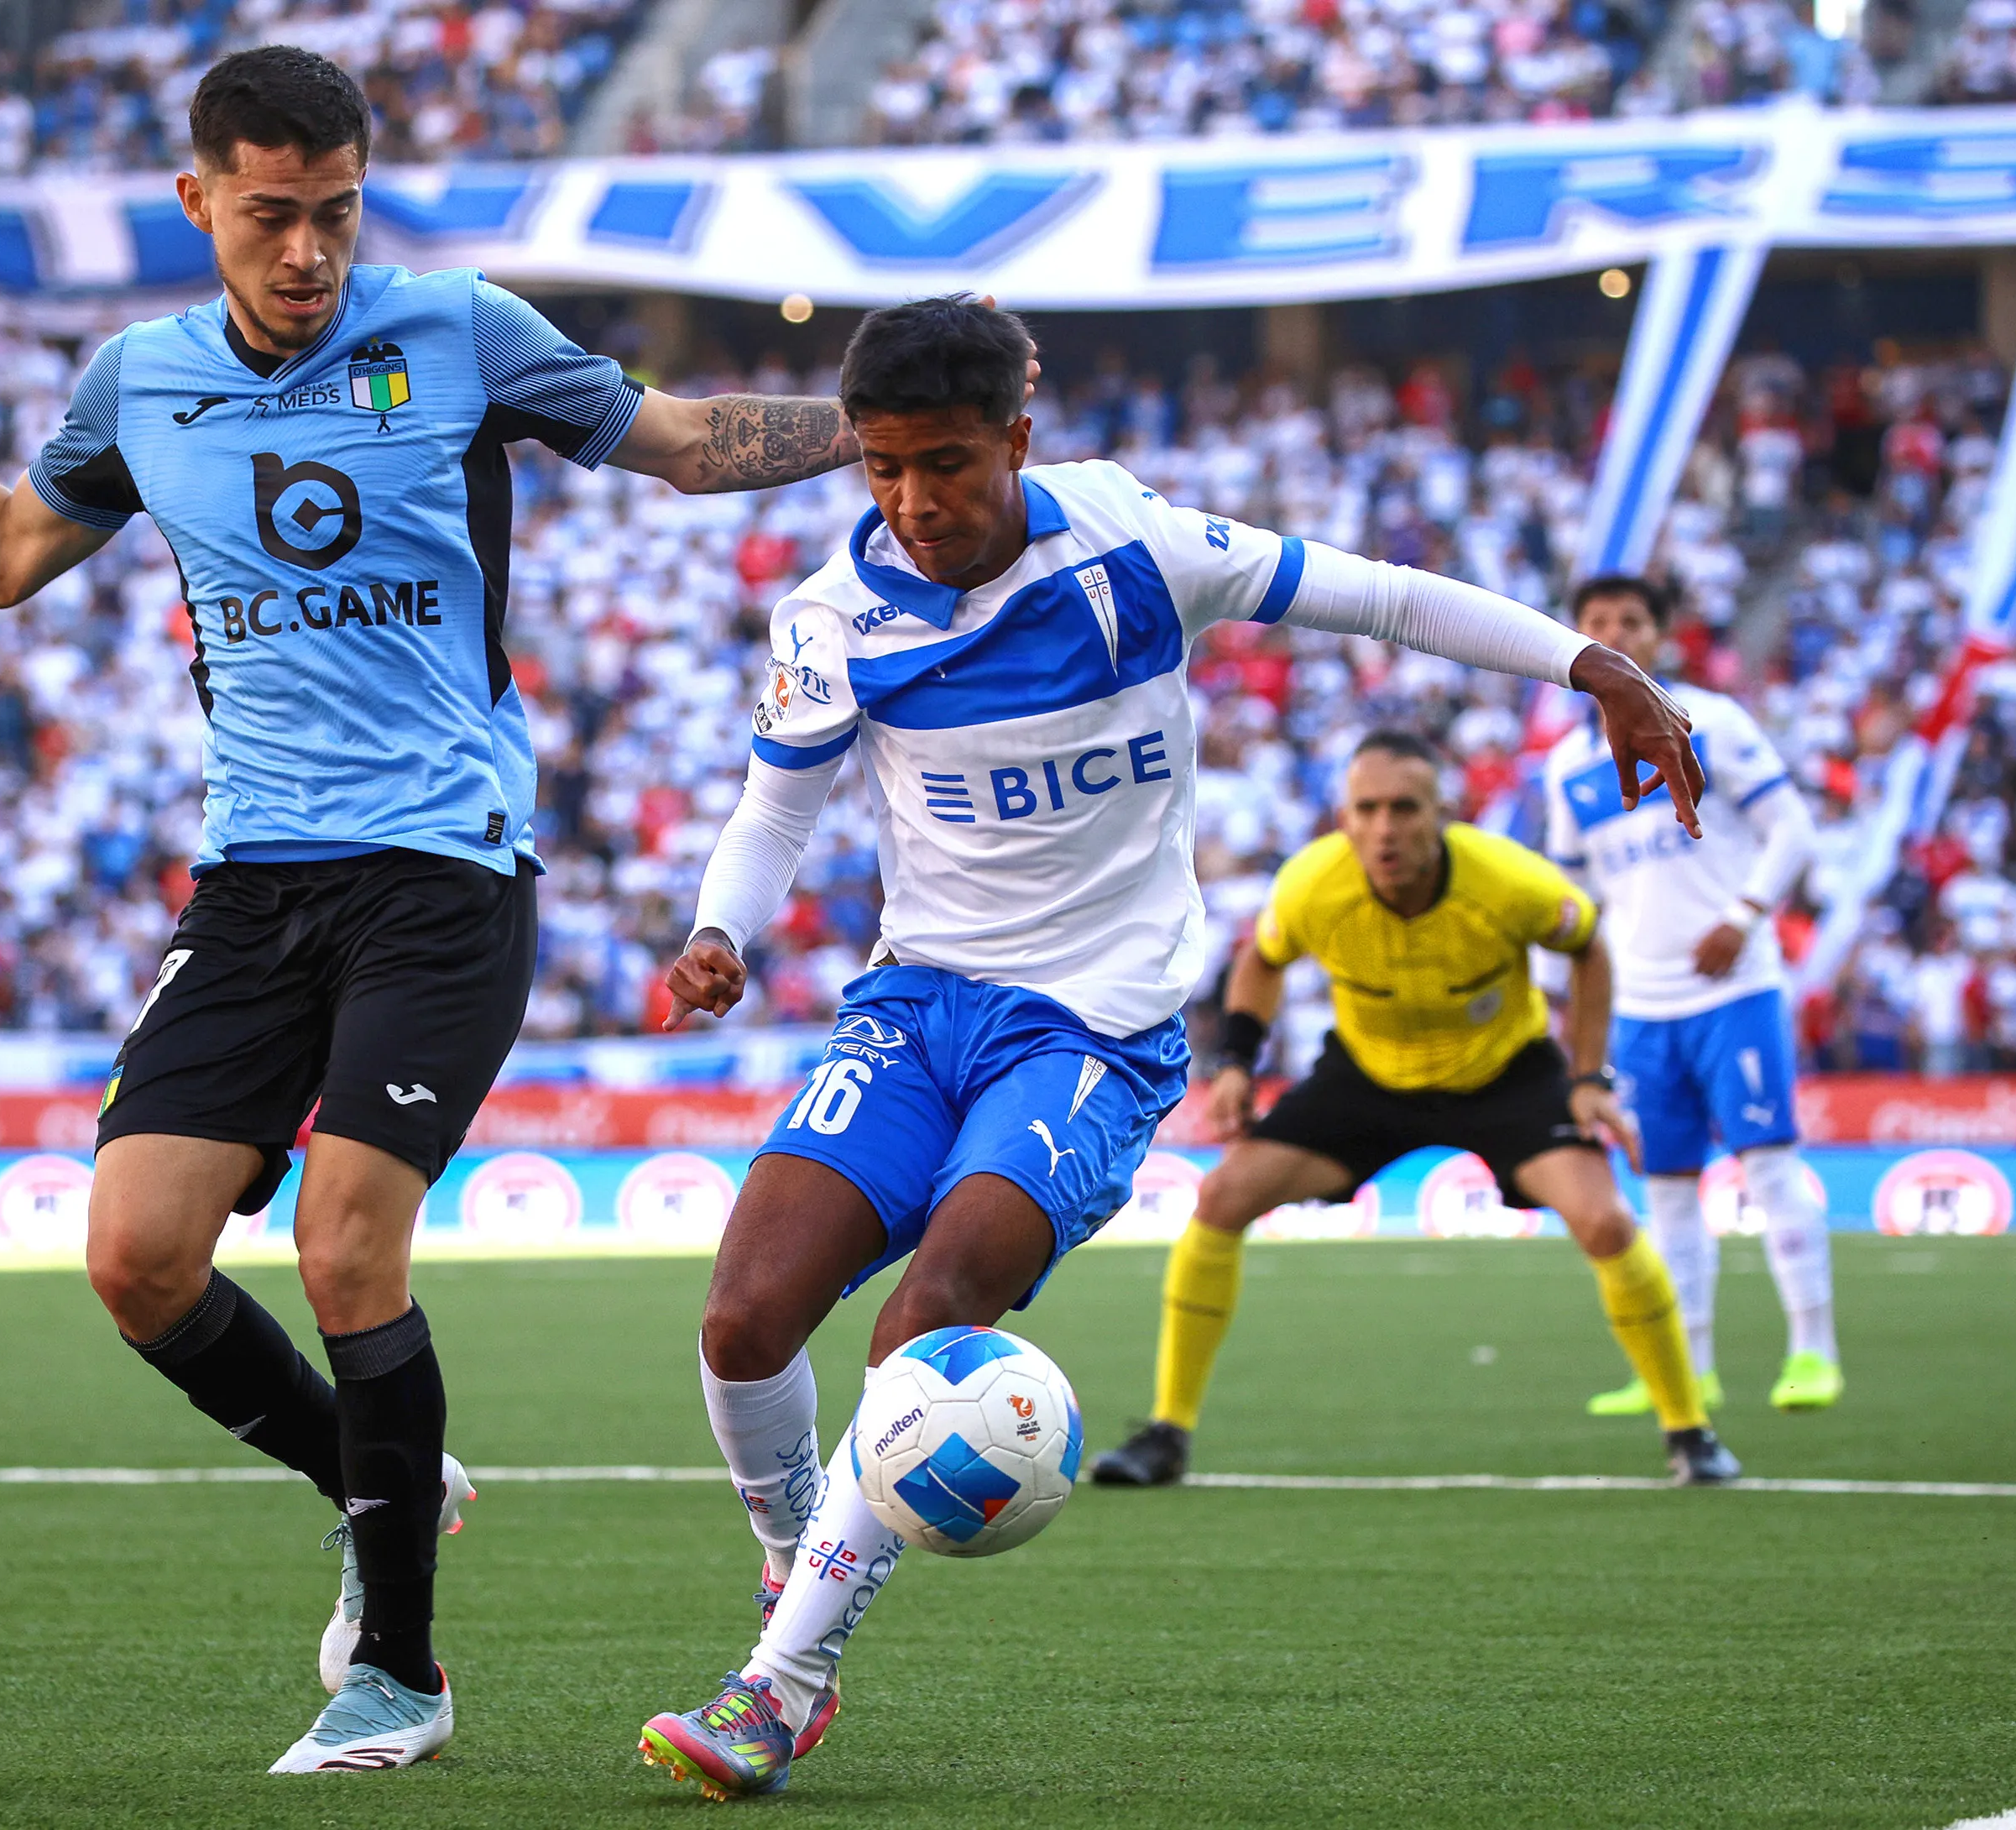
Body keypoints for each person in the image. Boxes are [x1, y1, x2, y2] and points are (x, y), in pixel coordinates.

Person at [0, 44, 867, 1775]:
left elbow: (674, 442)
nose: (310, 253)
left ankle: (402, 1679)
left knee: (346, 1243)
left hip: (443, 871)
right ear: (198, 201)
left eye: (338, 215)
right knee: (137, 1261)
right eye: (274, 216)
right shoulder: (137, 380)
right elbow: (2, 555)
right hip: (253, 879)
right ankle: (383, 1472)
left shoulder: (457, 330)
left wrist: (884, 423)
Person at [634, 296, 1703, 1801]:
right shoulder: (831, 618)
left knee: (929, 1316)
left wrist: (1600, 670)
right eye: (880, 470)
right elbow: (779, 805)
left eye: (943, 464)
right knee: (745, 1323)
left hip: (1093, 1027)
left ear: (1017, 438)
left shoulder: (1141, 555)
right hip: (917, 1003)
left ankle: (782, 1684)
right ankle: (794, 1550)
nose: (911, 502)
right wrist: (723, 930)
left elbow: (1388, 598)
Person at [1089, 730, 1740, 1493]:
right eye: (1367, 810)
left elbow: (1590, 947)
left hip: (1507, 1076)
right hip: (1368, 1077)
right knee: (1222, 1198)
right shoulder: (1311, 885)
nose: (1385, 828)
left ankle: (1690, 1431)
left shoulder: (1508, 880)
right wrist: (1235, 1062)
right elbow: (1261, 960)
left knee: (1605, 1222)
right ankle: (1167, 1432)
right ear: (1344, 817)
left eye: (1405, 808)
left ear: (1443, 814)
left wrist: (1590, 1074)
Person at [1550, 577, 1841, 1415]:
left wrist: (1746, 915)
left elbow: (1793, 830)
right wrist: (1558, 999)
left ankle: (1813, 1352)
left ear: (1661, 634)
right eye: (1597, 624)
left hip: (1734, 989)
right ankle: (1686, 1368)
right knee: (1669, 1188)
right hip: (1639, 1007)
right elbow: (1574, 893)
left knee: (1769, 1165)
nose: (1615, 634)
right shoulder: (1567, 765)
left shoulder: (1712, 720)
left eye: (1630, 621)